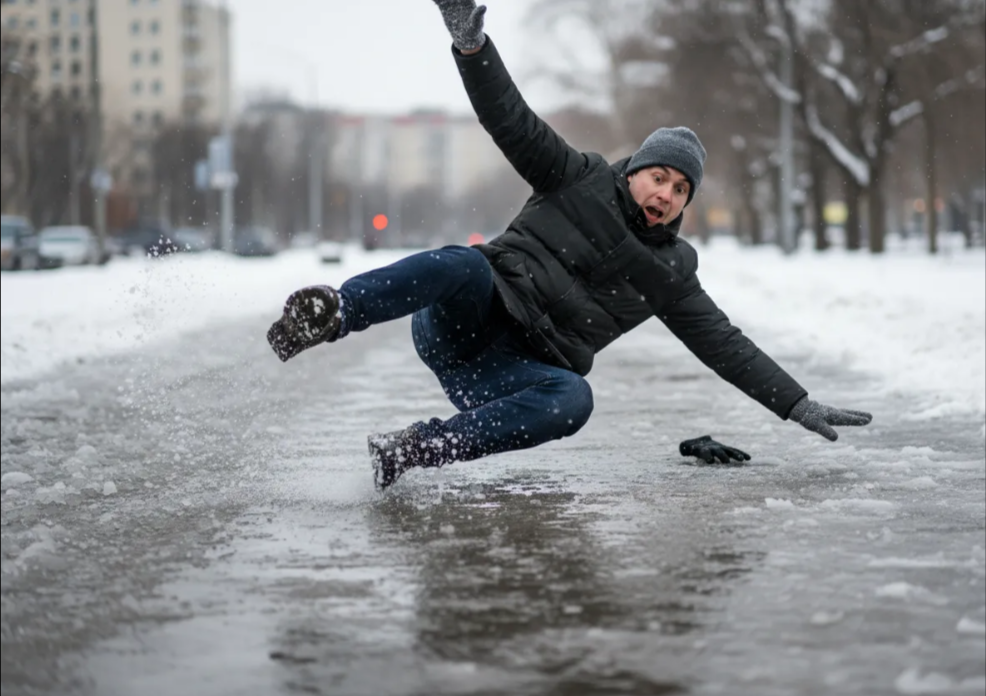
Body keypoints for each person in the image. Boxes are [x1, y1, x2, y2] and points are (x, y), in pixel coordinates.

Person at [266, 0, 873, 490]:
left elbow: (725, 345)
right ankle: (333, 313)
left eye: (681, 188)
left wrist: (796, 403)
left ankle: (414, 450)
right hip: (464, 319)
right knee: (462, 263)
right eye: (659, 176)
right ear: (635, 169)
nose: (666, 192)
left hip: (510, 377)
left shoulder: (673, 271)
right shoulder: (575, 174)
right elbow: (511, 119)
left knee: (573, 400)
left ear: (687, 204)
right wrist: (472, 47)